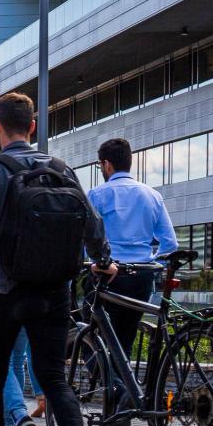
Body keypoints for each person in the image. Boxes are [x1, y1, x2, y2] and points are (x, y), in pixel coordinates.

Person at [0, 92, 111, 426]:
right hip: (54, 289)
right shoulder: (62, 169)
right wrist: (102, 259)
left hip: (3, 289)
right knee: (53, 376)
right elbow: (92, 226)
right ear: (32, 126)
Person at [86, 138, 177, 361]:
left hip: (108, 274)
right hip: (141, 277)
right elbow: (170, 244)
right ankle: (124, 391)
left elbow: (85, 239)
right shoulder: (152, 195)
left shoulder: (97, 195)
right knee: (125, 340)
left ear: (107, 165)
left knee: (87, 335)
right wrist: (153, 266)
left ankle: (113, 387)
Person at [1, 331, 45, 426]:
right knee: (17, 361)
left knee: (4, 361)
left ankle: (16, 419)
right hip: (29, 314)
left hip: (4, 314)